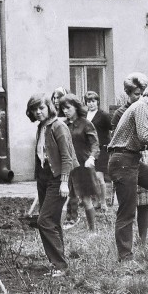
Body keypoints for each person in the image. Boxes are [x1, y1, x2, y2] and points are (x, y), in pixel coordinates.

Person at [107, 79, 148, 265]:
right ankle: (125, 257)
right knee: (127, 211)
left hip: (132, 159)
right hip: (122, 160)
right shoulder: (141, 106)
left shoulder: (144, 109)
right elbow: (145, 136)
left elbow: (146, 138)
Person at [27, 93, 78, 278]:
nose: (38, 112)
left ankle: (60, 265)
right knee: (53, 221)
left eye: (41, 108)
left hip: (58, 178)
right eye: (34, 109)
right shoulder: (42, 127)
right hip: (44, 178)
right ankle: (59, 264)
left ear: (49, 107)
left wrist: (64, 182)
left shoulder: (59, 126)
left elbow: (67, 156)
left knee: (44, 221)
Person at [60, 94, 100, 231]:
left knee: (86, 199)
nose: (65, 111)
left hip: (83, 165)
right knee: (63, 199)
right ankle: (58, 231)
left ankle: (93, 231)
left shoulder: (86, 124)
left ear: (76, 107)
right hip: (68, 167)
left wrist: (92, 158)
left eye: (68, 108)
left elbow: (95, 144)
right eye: (63, 109)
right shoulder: (63, 125)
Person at [85, 91, 112, 213]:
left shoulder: (103, 115)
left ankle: (103, 202)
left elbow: (111, 129)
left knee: (99, 177)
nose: (91, 104)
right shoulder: (84, 115)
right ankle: (95, 201)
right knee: (91, 177)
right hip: (88, 149)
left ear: (98, 102)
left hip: (101, 149)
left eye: (93, 101)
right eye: (88, 101)